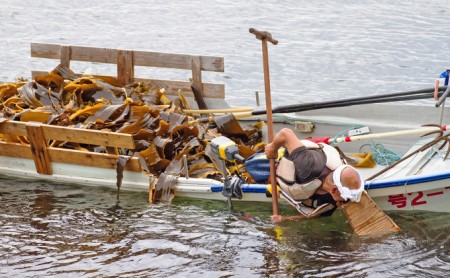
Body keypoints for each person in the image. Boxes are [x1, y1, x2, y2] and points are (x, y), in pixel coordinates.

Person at [265, 128, 364, 218]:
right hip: (279, 164)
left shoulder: (333, 197)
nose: (348, 201)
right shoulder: (308, 167)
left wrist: (285, 219)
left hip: (304, 181)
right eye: (346, 197)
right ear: (333, 190)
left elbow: (316, 214)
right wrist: (273, 149)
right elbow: (285, 134)